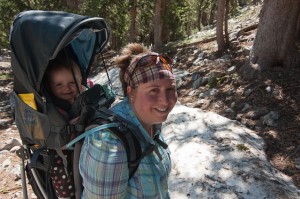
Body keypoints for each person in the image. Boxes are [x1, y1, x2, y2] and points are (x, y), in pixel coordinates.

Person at [79, 43, 178, 198]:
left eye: (170, 89)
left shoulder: (151, 123)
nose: (165, 101)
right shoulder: (109, 142)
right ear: (131, 92)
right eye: (154, 90)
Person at [43, 52, 84, 199]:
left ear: (80, 81)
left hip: (83, 150)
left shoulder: (83, 98)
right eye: (58, 84)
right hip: (61, 156)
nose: (66, 88)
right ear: (49, 86)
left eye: (72, 83)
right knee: (64, 183)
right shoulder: (50, 108)